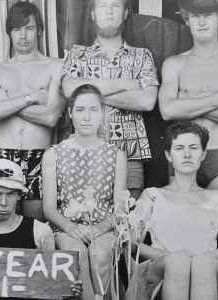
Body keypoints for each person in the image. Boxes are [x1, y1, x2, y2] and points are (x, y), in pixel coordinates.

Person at [131, 121, 218, 300]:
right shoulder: (152, 195)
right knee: (178, 262)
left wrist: (199, 258)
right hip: (161, 265)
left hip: (208, 265)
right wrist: (172, 257)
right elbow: (130, 241)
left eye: (193, 147)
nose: (186, 154)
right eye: (179, 148)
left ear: (203, 154)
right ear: (169, 155)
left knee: (203, 264)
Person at [158, 0, 218, 205]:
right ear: (187, 19)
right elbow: (167, 111)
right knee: (183, 225)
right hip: (182, 152)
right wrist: (217, 99)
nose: (201, 22)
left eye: (208, 15)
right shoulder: (174, 64)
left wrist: (185, 102)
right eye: (195, 16)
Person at [61, 0, 159, 199]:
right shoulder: (78, 54)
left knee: (128, 224)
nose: (109, 11)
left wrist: (89, 93)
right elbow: (70, 90)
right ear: (93, 14)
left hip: (130, 155)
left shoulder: (142, 56)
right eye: (102, 6)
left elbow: (147, 101)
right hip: (84, 155)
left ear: (125, 13)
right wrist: (126, 83)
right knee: (85, 221)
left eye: (115, 6)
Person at [0, 1, 66, 221]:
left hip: (39, 155)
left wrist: (6, 103)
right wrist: (32, 98)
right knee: (1, 226)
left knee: (34, 226)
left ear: (39, 31)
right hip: (4, 154)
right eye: (17, 29)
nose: (23, 35)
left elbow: (50, 117)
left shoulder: (55, 66)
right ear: (9, 33)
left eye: (29, 28)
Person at [42, 84, 127, 300]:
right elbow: (49, 208)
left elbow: (120, 207)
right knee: (76, 254)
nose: (87, 117)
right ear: (70, 114)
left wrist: (100, 228)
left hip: (104, 227)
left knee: (99, 254)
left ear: (102, 113)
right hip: (65, 227)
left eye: (93, 110)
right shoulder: (54, 154)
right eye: (80, 110)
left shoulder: (115, 155)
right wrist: (71, 227)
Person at [0, 158, 82, 299]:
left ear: (20, 195)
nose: (3, 202)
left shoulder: (39, 233)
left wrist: (66, 289)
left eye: (10, 194)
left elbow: (48, 288)